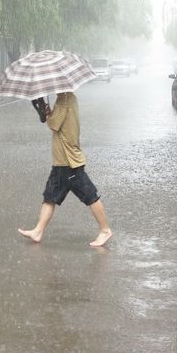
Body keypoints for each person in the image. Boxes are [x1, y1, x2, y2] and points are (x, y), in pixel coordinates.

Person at [18, 92, 112, 247]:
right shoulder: (66, 98)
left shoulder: (64, 98)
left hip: (69, 162)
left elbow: (54, 124)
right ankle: (38, 231)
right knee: (50, 196)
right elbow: (59, 122)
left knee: (90, 195)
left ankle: (105, 230)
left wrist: (48, 115)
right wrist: (50, 113)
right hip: (61, 162)